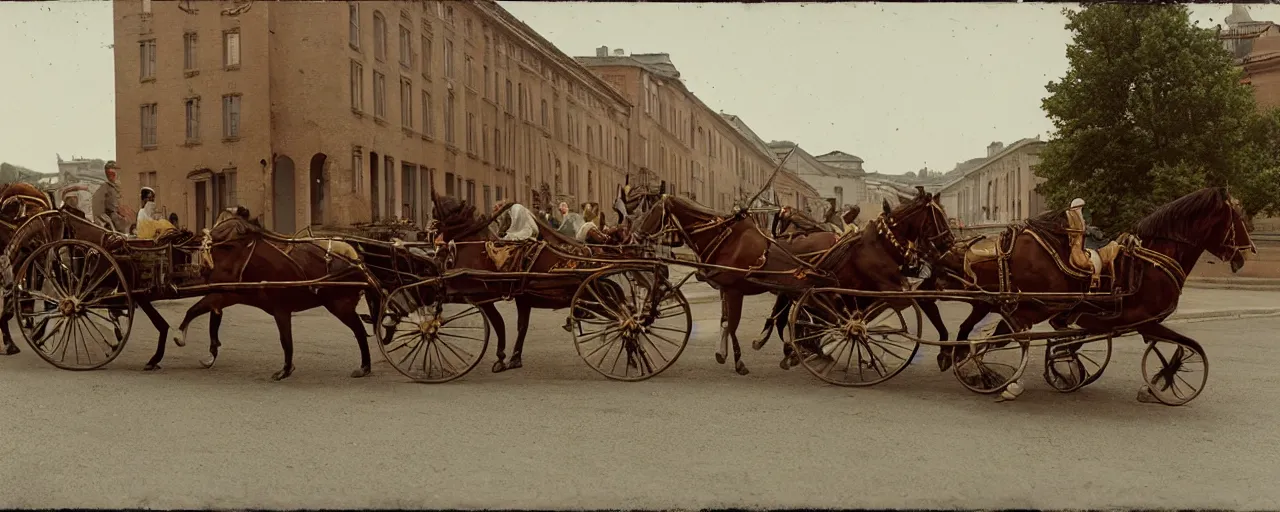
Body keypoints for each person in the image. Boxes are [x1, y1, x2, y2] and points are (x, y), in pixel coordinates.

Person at [91, 161, 130, 232]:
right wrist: (110, 224)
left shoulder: (115, 188)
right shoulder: (104, 189)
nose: (118, 175)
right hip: (111, 225)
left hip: (118, 222)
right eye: (116, 172)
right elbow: (98, 212)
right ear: (111, 174)